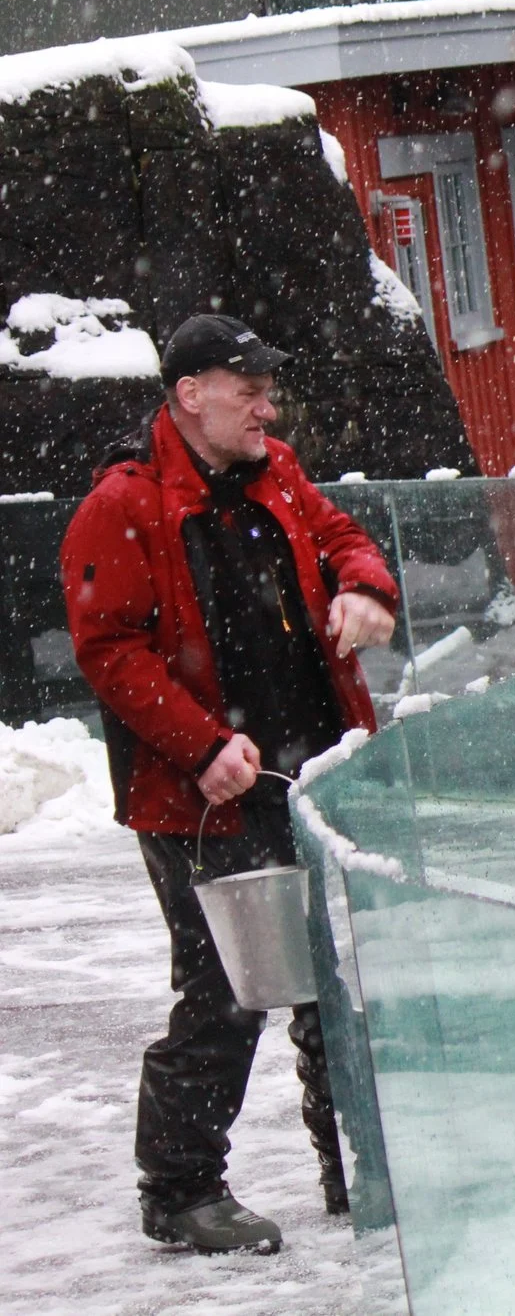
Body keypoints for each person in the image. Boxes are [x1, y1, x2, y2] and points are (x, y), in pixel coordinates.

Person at [60, 314, 399, 1255]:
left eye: (267, 385)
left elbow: (341, 538)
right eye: (247, 386)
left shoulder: (275, 469)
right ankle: (179, 1191)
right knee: (223, 988)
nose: (267, 403)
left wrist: (366, 585)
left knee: (334, 975)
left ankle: (361, 1167)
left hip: (304, 769)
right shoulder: (122, 504)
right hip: (196, 797)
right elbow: (108, 648)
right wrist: (204, 744)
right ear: (189, 393)